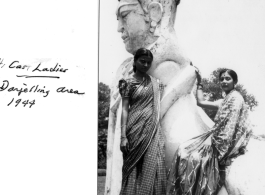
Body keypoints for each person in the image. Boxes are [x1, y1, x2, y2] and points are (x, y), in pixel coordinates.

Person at [167, 68, 253, 195]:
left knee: (193, 158)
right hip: (215, 137)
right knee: (183, 149)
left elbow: (230, 126)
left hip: (223, 144)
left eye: (227, 78)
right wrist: (199, 83)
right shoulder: (222, 101)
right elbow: (200, 102)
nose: (224, 81)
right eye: (222, 79)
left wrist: (217, 148)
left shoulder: (236, 98)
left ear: (235, 81)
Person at [118, 48, 166, 195]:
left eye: (148, 63)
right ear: (135, 61)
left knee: (155, 165)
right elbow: (125, 109)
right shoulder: (127, 82)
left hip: (153, 130)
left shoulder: (155, 83)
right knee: (133, 170)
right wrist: (123, 136)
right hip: (134, 130)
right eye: (142, 61)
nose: (145, 65)